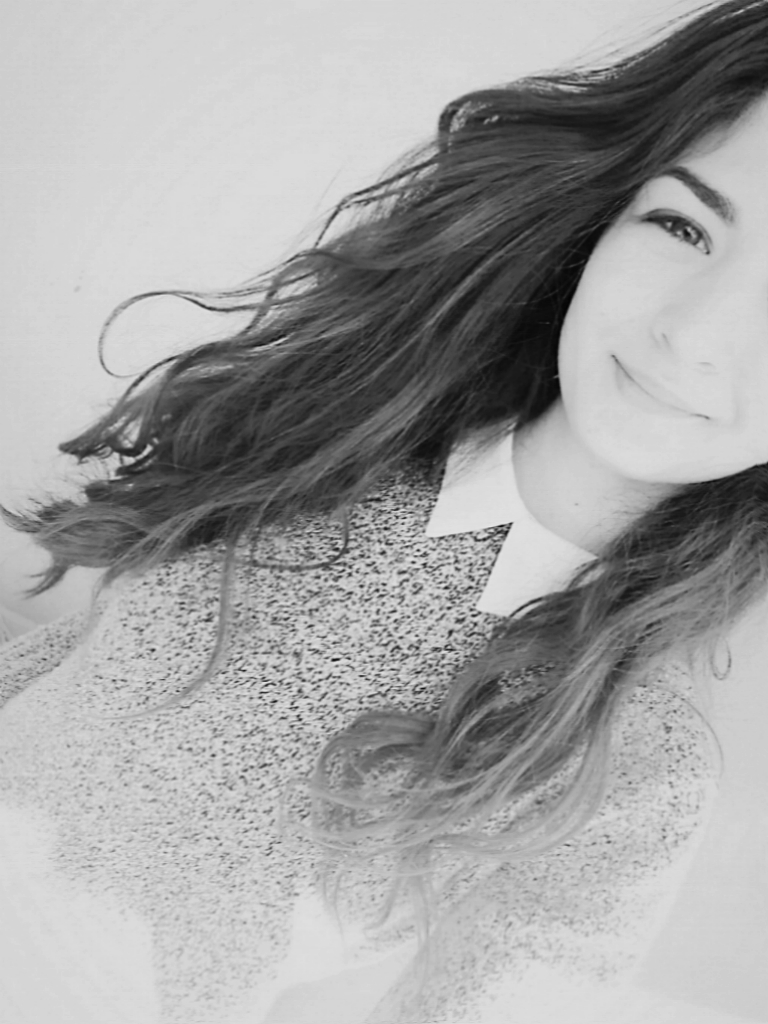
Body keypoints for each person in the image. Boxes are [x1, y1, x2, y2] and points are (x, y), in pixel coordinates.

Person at [1, 0, 767, 1021]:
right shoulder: (340, 422)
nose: (693, 334)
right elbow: (75, 679)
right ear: (607, 218)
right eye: (682, 226)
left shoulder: (634, 766)